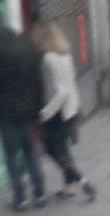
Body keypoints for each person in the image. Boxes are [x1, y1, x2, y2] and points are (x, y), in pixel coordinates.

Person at [0, 9, 47, 211]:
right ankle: (39, 193)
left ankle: (20, 197)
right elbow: (38, 79)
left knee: (11, 153)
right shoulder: (26, 43)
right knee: (30, 151)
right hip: (27, 109)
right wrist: (39, 106)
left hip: (4, 111)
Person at [31, 22, 95, 201]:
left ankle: (83, 181)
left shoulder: (48, 59)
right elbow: (70, 85)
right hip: (70, 110)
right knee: (64, 150)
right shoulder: (65, 55)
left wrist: (45, 113)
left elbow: (60, 91)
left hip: (57, 114)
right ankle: (67, 187)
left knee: (54, 151)